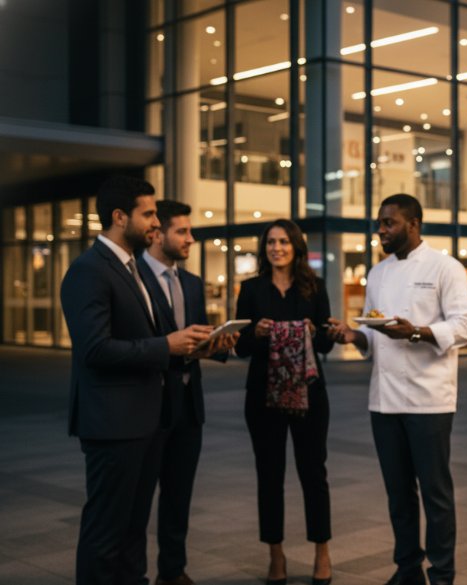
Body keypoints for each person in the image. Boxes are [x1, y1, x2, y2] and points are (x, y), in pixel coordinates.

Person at [61, 176, 212, 585]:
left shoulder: (131, 269)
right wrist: (167, 346)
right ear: (118, 216)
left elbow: (149, 338)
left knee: (131, 532)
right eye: (148, 215)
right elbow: (95, 351)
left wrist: (196, 343)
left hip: (144, 421)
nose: (154, 224)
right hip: (113, 426)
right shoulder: (89, 270)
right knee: (106, 535)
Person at [326, 194, 467, 585]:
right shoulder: (377, 274)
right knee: (398, 495)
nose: (381, 230)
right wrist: (354, 335)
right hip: (384, 400)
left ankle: (442, 575)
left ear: (414, 224)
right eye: (379, 223)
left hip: (430, 399)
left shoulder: (447, 268)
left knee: (436, 496)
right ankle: (407, 570)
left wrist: (416, 331)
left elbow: (466, 327)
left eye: (389, 223)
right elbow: (375, 340)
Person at [133, 199, 238, 585]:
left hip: (189, 408)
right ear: (157, 234)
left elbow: (195, 340)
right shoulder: (134, 278)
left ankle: (173, 572)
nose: (191, 239)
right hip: (148, 408)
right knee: (139, 502)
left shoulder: (191, 283)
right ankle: (136, 574)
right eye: (183, 231)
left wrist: (217, 345)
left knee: (178, 499)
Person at [234, 219, 336, 585]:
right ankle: (275, 556)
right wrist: (256, 334)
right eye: (270, 242)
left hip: (309, 393)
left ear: (296, 246)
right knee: (269, 476)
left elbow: (325, 342)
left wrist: (315, 332)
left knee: (313, 474)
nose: (276, 247)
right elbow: (240, 346)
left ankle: (321, 552)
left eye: (283, 241)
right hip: (263, 394)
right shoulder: (250, 289)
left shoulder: (314, 286)